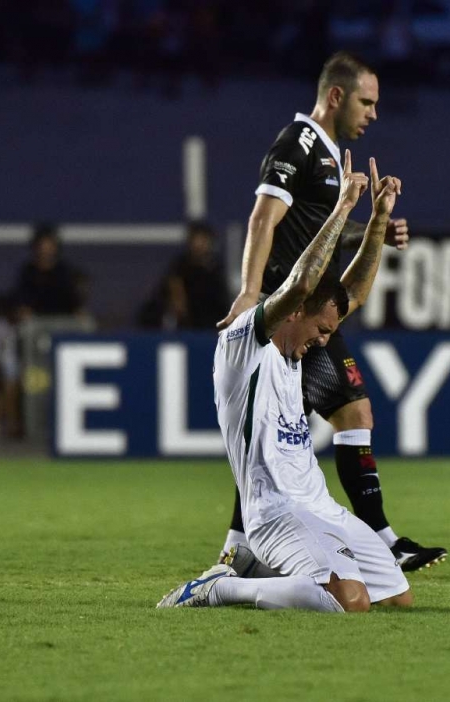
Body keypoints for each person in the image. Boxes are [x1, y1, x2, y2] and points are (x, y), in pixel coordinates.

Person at [215, 52, 446, 571]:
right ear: (336, 96)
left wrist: (374, 231)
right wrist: (252, 295)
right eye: (367, 101)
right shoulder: (297, 145)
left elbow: (314, 238)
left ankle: (243, 550)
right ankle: (373, 541)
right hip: (288, 316)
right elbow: (261, 220)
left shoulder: (328, 157)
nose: (374, 113)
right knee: (312, 420)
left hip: (313, 311)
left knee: (320, 419)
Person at [158, 152, 413, 612]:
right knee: (349, 602)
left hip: (320, 506)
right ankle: (219, 588)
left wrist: (377, 222)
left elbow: (349, 294)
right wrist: (340, 211)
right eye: (320, 331)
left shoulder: (298, 347)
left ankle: (262, 568)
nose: (321, 343)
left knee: (397, 599)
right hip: (274, 514)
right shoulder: (243, 342)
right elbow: (299, 285)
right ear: (295, 312)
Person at [138, 220, 230, 330]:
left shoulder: (216, 270)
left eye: (203, 240)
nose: (199, 245)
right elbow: (175, 296)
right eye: (196, 240)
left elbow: (221, 303)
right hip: (184, 327)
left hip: (209, 326)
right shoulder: (180, 268)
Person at [13, 223, 87, 319]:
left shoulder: (64, 271)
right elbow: (22, 302)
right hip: (37, 321)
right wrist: (23, 311)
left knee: (87, 324)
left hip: (64, 320)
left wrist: (78, 311)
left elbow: (74, 302)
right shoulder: (28, 272)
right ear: (35, 247)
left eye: (49, 246)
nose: (45, 251)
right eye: (42, 246)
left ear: (56, 247)